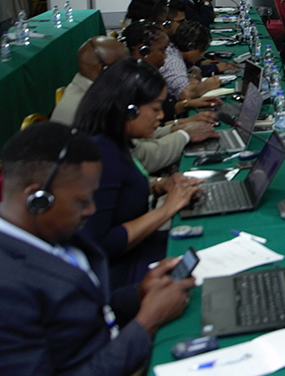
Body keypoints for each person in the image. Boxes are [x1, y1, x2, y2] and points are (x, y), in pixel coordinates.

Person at [0, 123, 194, 376]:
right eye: (81, 201)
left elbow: (77, 317)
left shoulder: (48, 232)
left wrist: (140, 294)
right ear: (37, 198)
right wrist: (146, 325)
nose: (91, 210)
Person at [73, 59, 202, 288]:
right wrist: (167, 209)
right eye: (155, 108)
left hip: (137, 251)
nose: (161, 115)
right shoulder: (101, 155)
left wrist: (159, 185)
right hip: (119, 275)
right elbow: (101, 244)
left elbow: (118, 193)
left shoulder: (114, 141)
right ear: (129, 110)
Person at [51, 36, 216, 173]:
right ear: (103, 69)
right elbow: (142, 157)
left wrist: (177, 127)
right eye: (123, 67)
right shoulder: (91, 108)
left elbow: (135, 142)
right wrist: (185, 135)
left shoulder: (91, 90)